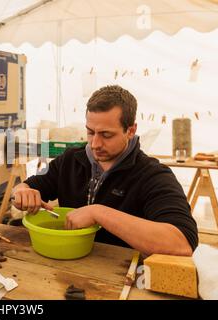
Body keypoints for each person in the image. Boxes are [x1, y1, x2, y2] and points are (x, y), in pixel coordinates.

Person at [13, 85, 198, 256]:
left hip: (122, 276)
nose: (95, 144)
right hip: (68, 261)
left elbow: (182, 243)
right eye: (91, 132)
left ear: (131, 130)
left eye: (106, 135)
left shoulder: (153, 176)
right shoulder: (70, 160)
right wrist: (21, 192)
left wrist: (99, 213)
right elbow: (30, 186)